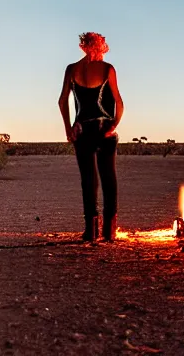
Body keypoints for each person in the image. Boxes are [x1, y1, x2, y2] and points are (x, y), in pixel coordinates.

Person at [58, 32, 124, 242]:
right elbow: (119, 103)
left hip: (82, 130)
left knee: (88, 180)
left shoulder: (72, 69)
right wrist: (113, 125)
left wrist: (69, 129)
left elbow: (62, 101)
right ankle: (109, 232)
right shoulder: (107, 69)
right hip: (104, 128)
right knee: (108, 178)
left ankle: (91, 231)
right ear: (100, 47)